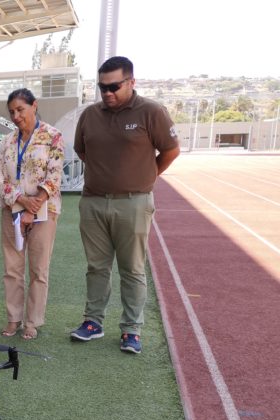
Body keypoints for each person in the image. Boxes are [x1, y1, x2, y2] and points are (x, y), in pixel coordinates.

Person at [70, 56, 180, 354]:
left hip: (134, 203)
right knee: (96, 267)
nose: (107, 92)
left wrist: (146, 177)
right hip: (93, 202)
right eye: (102, 87)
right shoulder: (90, 115)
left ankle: (132, 329)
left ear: (131, 82)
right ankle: (93, 322)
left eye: (114, 86)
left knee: (132, 268)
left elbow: (171, 150)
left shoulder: (151, 112)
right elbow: (83, 151)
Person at [0, 88, 64, 340]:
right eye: (12, 112)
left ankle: (32, 322)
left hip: (44, 212)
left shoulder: (53, 137)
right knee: (12, 268)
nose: (15, 116)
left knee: (38, 269)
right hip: (11, 211)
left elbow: (54, 176)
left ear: (34, 106)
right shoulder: (6, 141)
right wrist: (21, 201)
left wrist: (33, 207)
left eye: (20, 110)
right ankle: (13, 318)